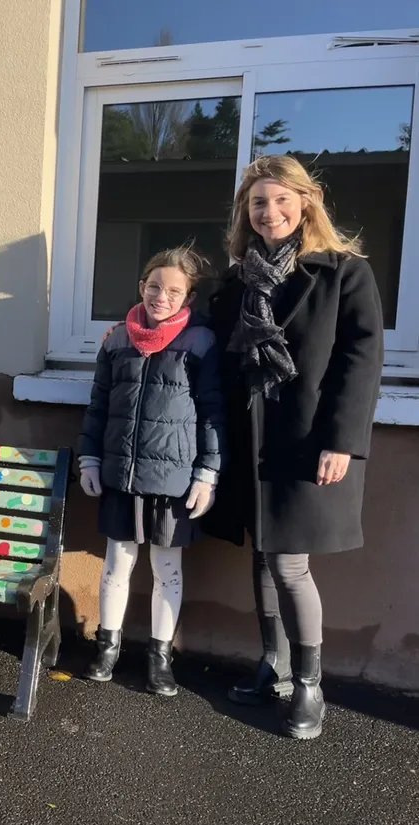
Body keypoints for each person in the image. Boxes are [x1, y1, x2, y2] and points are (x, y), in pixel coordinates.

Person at [206, 155, 384, 740]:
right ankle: (274, 666)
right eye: (258, 202)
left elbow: (361, 364)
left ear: (306, 202)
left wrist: (342, 443)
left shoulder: (344, 273)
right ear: (246, 212)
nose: (270, 211)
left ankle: (310, 684)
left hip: (309, 441)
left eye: (282, 199)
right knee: (262, 553)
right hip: (252, 437)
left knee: (288, 561)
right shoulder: (236, 282)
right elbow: (205, 341)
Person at [77, 247, 225, 696]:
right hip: (121, 473)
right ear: (142, 287)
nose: (162, 296)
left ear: (188, 298)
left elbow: (213, 413)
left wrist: (207, 473)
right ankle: (108, 646)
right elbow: (99, 404)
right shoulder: (117, 339)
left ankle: (159, 657)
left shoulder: (201, 343)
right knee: (117, 562)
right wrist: (90, 457)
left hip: (174, 480)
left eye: (174, 290)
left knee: (168, 568)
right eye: (155, 286)